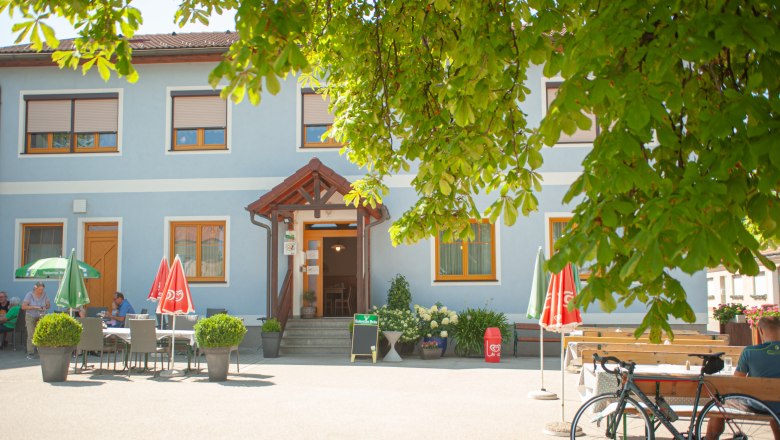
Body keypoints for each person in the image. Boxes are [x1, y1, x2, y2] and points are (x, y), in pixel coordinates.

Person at [705, 316, 780, 439]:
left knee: (719, 404)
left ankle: (710, 438)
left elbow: (737, 382)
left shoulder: (750, 352)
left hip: (758, 405)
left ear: (761, 331)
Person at [22, 282, 50, 359]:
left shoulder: (44, 294)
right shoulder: (29, 295)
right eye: (39, 289)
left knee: (42, 333)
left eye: (42, 289)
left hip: (41, 315)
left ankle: (42, 351)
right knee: (31, 334)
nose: (41, 291)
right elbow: (23, 307)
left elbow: (48, 304)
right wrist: (35, 307)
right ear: (35, 288)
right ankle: (30, 352)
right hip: (30, 316)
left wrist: (45, 306)